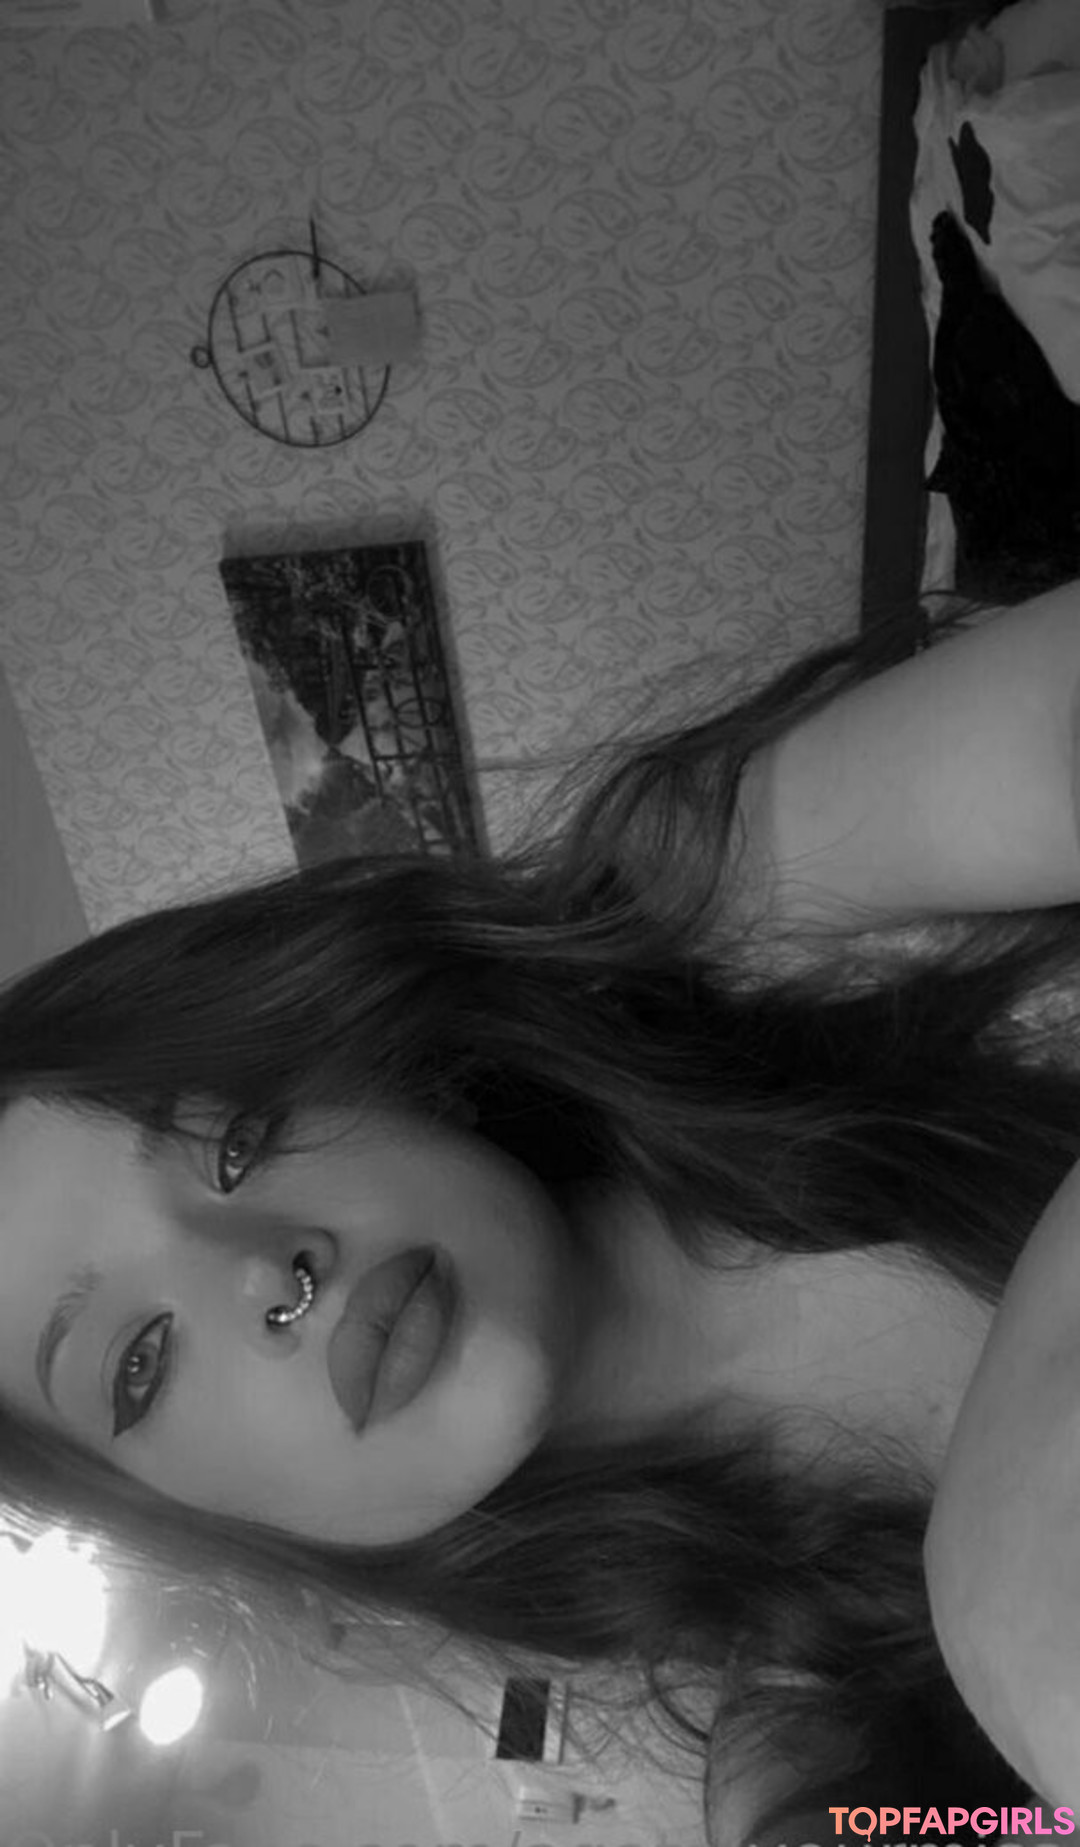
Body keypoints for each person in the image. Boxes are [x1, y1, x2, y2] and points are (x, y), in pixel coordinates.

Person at [3, 585, 1080, 1843]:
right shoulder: (818, 1783)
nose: (266, 1275)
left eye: (235, 1135)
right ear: (206, 1520)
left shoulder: (725, 896)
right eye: (139, 1363)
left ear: (355, 1058)